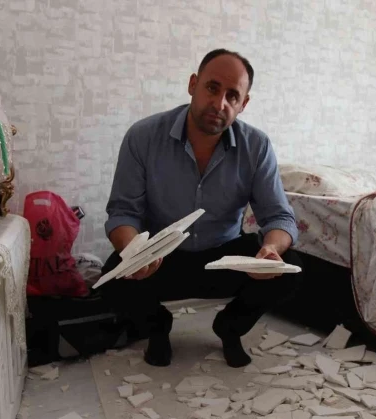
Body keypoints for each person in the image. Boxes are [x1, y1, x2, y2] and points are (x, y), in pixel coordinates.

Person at [102, 49, 302, 368]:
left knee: (289, 267)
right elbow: (123, 212)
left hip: (224, 257)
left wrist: (271, 249)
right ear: (193, 84)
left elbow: (279, 216)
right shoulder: (143, 136)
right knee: (113, 277)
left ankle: (230, 327)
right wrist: (134, 251)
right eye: (212, 88)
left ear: (243, 104)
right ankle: (157, 327)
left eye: (232, 96)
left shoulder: (257, 146)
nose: (220, 103)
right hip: (162, 257)